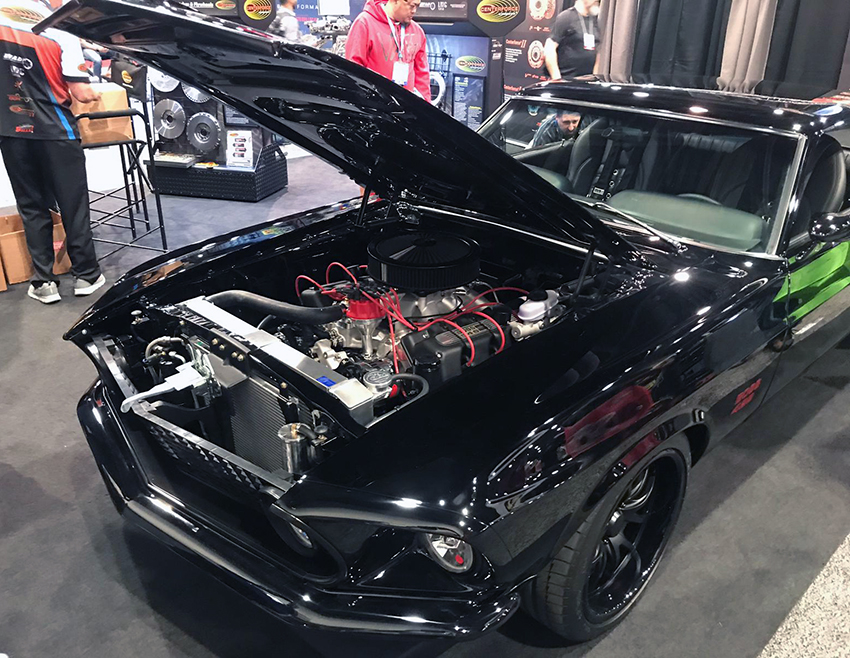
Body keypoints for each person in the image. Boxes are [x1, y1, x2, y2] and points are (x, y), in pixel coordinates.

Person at [0, 0, 105, 303]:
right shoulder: (59, 29)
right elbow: (82, 93)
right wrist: (97, 92)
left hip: (11, 130)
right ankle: (86, 275)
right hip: (56, 131)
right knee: (73, 205)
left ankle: (44, 282)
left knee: (32, 206)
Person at [345, 0, 431, 101]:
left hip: (406, 106)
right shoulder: (365, 23)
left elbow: (422, 75)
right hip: (374, 104)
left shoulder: (417, 31)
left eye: (417, 6)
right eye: (412, 6)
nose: (414, 11)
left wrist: (426, 105)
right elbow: (353, 69)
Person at [544, 0, 600, 80]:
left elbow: (597, 51)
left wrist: (595, 78)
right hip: (566, 80)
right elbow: (550, 48)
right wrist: (557, 79)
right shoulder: (566, 17)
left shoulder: (594, 20)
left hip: (587, 81)